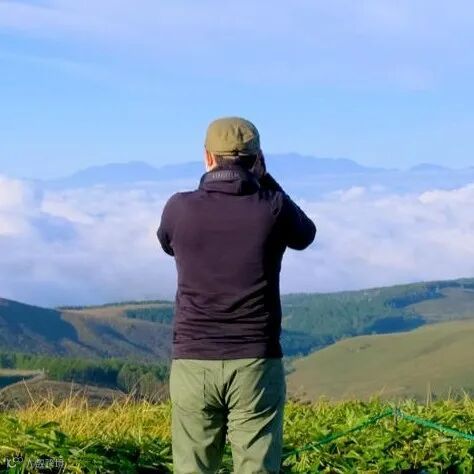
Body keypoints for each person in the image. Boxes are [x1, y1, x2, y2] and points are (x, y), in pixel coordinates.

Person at [157, 117, 316, 473]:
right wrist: (266, 179)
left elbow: (167, 243)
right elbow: (305, 234)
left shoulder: (179, 208)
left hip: (193, 360)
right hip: (255, 361)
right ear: (257, 159)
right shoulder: (273, 207)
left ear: (207, 157)